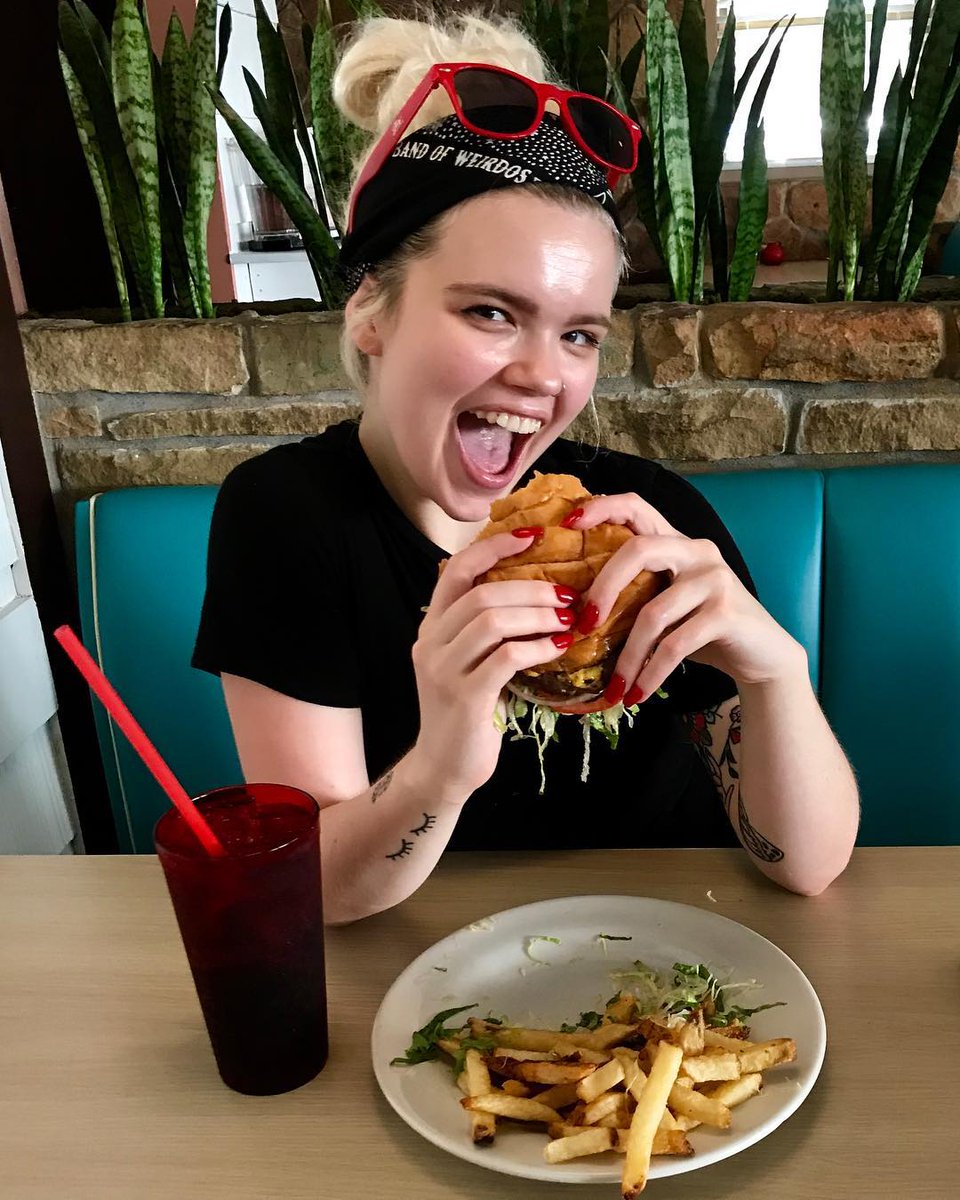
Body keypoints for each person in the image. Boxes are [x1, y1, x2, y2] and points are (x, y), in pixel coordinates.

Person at [193, 14, 859, 924]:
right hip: (433, 983)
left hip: (681, 957)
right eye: (491, 314)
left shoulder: (647, 519)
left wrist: (773, 671)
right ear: (370, 314)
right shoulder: (289, 519)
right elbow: (319, 895)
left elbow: (808, 866)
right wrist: (443, 762)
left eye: (578, 333)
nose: (546, 375)